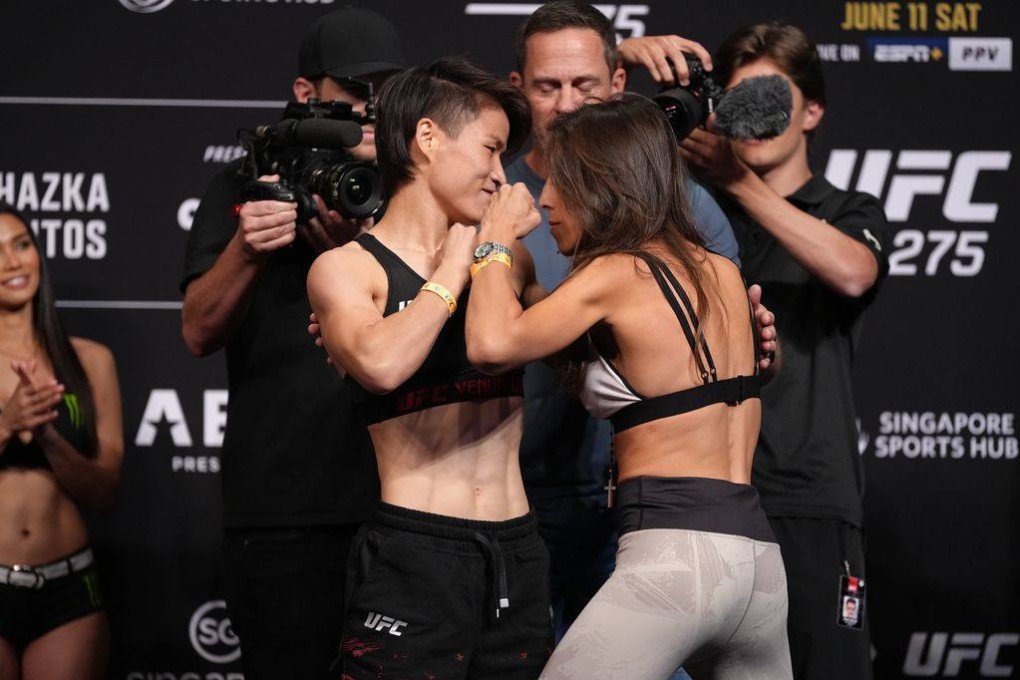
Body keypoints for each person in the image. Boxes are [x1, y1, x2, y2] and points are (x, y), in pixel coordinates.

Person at [465, 93, 791, 680]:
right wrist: (523, 277)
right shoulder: (719, 269)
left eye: (562, 180)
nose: (545, 199)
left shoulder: (617, 271)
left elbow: (490, 346)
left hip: (677, 560)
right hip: (758, 569)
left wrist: (492, 242)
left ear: (605, 183)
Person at [505, 0, 765, 641]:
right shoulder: (493, 197)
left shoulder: (683, 204)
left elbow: (741, 356)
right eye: (547, 86)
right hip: (514, 499)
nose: (567, 105)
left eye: (584, 84)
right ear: (518, 89)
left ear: (618, 84)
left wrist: (762, 343)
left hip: (641, 501)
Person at [307, 57, 551, 679]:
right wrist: (452, 271)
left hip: (517, 552)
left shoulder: (510, 262)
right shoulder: (346, 269)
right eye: (491, 150)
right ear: (427, 138)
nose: (501, 176)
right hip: (417, 553)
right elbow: (383, 366)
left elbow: (584, 357)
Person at [180, 7, 402, 678]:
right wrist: (248, 249)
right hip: (281, 505)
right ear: (307, 92)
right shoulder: (244, 182)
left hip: (400, 501)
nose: (371, 107)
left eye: (386, 90)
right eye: (355, 91)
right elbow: (198, 331)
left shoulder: (411, 185)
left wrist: (365, 248)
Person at [678, 21, 890, 680]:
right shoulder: (692, 213)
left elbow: (854, 272)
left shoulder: (846, 209)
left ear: (812, 111)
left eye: (773, 96)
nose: (756, 113)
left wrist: (740, 182)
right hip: (703, 493)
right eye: (740, 97)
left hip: (806, 493)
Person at [0, 202, 124, 680]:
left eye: (22, 245)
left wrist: (49, 436)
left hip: (68, 589)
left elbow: (105, 494)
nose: (13, 262)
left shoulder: (91, 360)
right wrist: (8, 424)